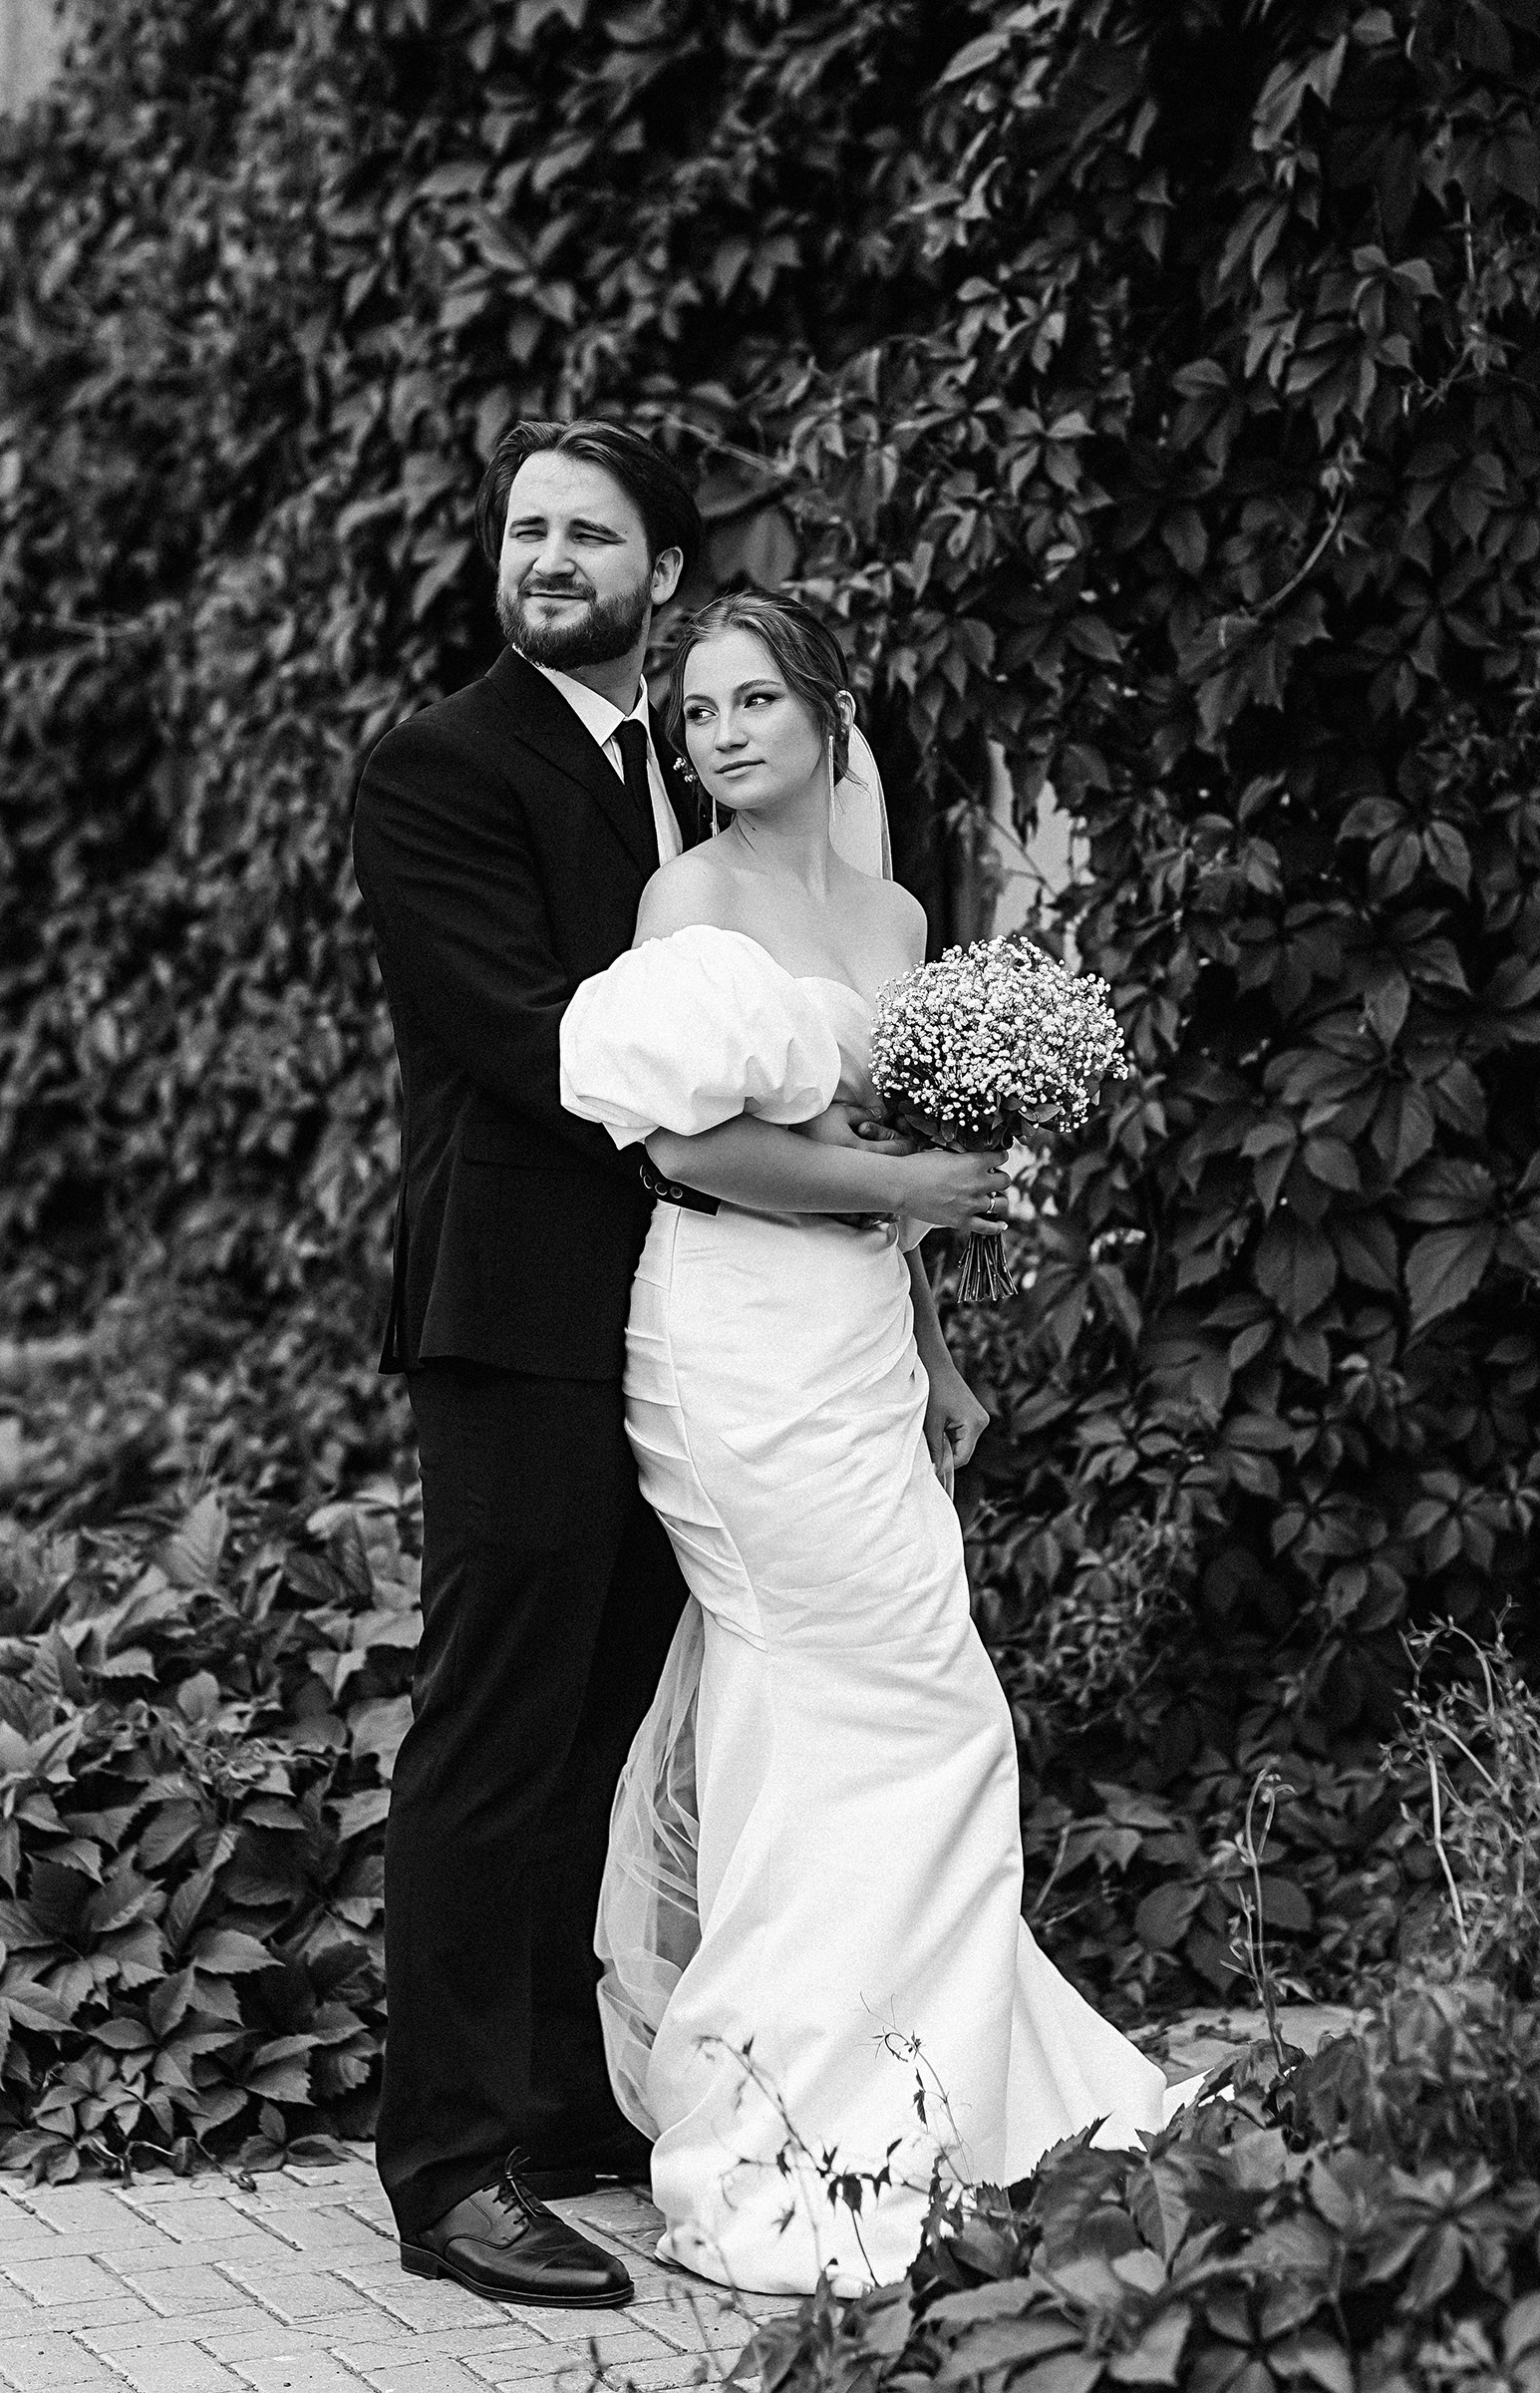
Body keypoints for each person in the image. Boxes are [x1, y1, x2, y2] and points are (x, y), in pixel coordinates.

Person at [352, 427, 1011, 2310]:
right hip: (519, 1310)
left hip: (702, 1331)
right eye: (524, 529)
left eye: (590, 531)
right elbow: (527, 1039)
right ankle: (449, 2173)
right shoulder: (440, 765)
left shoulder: (691, 758)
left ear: (660, 567)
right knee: (495, 1729)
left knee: (617, 1721)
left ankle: (570, 2104)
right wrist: (822, 1159)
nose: (548, 555)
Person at [557, 592, 1200, 2298]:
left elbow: (892, 1189)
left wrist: (934, 1354)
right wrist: (909, 1184)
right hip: (733, 1337)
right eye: (697, 714)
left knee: (832, 1713)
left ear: (828, 714)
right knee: (909, 1700)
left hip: (854, 1335)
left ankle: (916, 2088)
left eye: (753, 701)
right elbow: (688, 1157)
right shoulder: (689, 901)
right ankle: (784, 2114)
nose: (721, 736)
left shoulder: (900, 912)